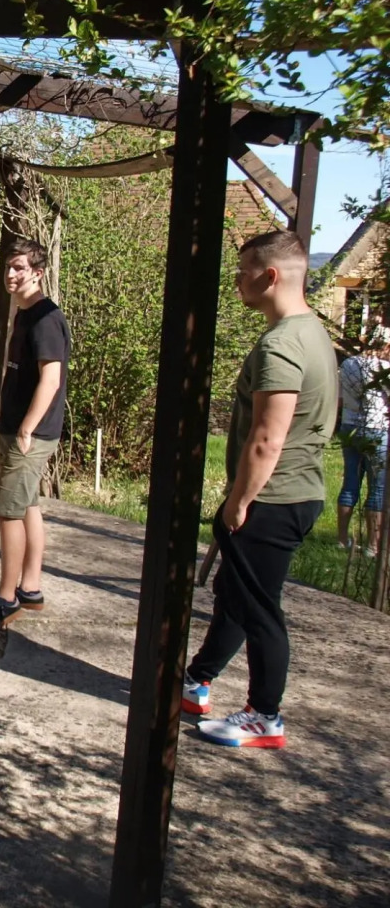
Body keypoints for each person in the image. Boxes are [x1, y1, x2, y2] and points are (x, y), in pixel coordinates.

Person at [182, 230, 337, 749]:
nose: (236, 281)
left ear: (270, 276)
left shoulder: (282, 344)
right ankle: (196, 679)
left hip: (273, 499)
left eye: (244, 271)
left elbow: (267, 439)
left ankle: (264, 715)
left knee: (258, 609)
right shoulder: (311, 331)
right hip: (295, 492)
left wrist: (239, 502)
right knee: (236, 595)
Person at [0, 236, 71, 632]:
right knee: (28, 505)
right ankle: (30, 588)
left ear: (37, 273)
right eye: (8, 267)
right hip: (12, 427)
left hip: (30, 434)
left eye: (19, 268)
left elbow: (51, 379)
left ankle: (6, 598)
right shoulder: (23, 311)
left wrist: (27, 429)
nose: (11, 274)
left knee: (7, 511)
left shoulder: (46, 318)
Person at [335, 326, 389, 557]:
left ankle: (342, 539)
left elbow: (339, 399)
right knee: (377, 488)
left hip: (349, 427)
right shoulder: (385, 369)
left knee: (350, 483)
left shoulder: (348, 364)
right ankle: (372, 546)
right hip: (377, 429)